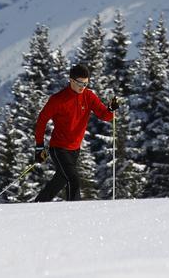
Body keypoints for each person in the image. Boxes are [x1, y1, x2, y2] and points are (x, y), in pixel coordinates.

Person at [33, 64, 118, 202]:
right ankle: (75, 213)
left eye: (86, 83)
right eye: (80, 83)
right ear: (71, 80)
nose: (83, 86)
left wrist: (111, 109)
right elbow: (41, 121)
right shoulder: (58, 99)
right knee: (74, 180)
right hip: (59, 148)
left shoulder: (89, 96)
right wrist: (39, 146)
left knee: (59, 180)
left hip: (75, 149)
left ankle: (37, 204)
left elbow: (104, 115)